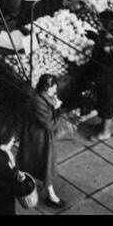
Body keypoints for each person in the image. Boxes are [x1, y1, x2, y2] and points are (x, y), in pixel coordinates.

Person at [18, 73, 67, 208]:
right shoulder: (38, 102)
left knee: (38, 163)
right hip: (38, 139)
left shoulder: (43, 97)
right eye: (53, 89)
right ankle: (51, 196)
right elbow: (49, 124)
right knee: (45, 165)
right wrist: (58, 110)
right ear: (46, 88)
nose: (55, 91)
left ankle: (32, 182)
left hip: (39, 137)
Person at [79, 25, 113, 140]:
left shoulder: (104, 54)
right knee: (106, 106)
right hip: (110, 80)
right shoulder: (112, 46)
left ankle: (105, 132)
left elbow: (98, 66)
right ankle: (103, 127)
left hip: (106, 81)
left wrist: (93, 81)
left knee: (107, 107)